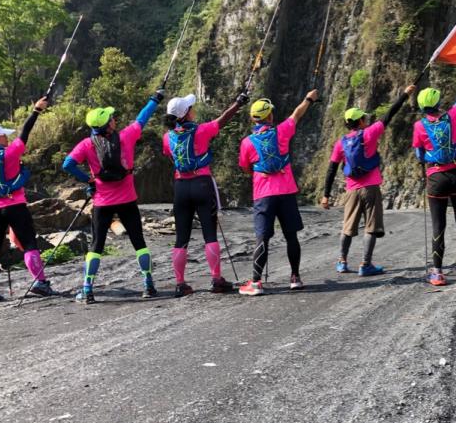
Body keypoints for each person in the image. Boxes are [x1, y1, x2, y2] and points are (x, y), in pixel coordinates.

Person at [62, 90, 164, 303]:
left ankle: (87, 289)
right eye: (111, 118)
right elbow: (142, 118)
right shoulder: (126, 136)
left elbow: (68, 164)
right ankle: (148, 285)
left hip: (102, 201)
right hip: (128, 199)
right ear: (108, 125)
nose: (114, 119)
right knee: (139, 241)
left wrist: (89, 180)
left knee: (96, 245)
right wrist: (155, 99)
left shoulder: (86, 144)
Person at [321, 85, 416, 276]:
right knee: (371, 227)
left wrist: (326, 195)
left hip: (351, 190)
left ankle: (342, 262)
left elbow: (331, 169)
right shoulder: (369, 134)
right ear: (360, 121)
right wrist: (405, 94)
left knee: (347, 227)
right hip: (371, 188)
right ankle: (365, 265)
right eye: (364, 118)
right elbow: (389, 114)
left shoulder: (340, 143)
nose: (366, 120)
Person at [162, 91, 248, 297]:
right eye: (190, 108)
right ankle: (216, 279)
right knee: (210, 234)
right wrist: (238, 103)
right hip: (201, 183)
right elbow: (223, 120)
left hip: (181, 186)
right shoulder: (201, 131)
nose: (193, 110)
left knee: (181, 238)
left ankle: (180, 284)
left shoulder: (167, 137)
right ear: (186, 113)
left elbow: (170, 156)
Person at [0, 97, 52, 303]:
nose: (6, 137)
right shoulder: (10, 153)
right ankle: (40, 283)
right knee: (29, 243)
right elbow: (25, 133)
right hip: (15, 206)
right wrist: (36, 111)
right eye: (3, 135)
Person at [238, 90, 319, 296]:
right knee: (291, 236)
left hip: (263, 193)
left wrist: (258, 172)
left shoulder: (247, 142)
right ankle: (295, 278)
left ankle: (256, 283)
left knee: (262, 237)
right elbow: (296, 114)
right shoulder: (282, 131)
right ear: (270, 116)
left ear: (253, 119)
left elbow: (245, 167)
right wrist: (308, 99)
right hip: (286, 190)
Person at [413, 79, 456, 286]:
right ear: (438, 102)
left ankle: (437, 273)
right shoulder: (452, 116)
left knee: (438, 225)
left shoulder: (419, 126)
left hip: (436, 177)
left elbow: (419, 155)